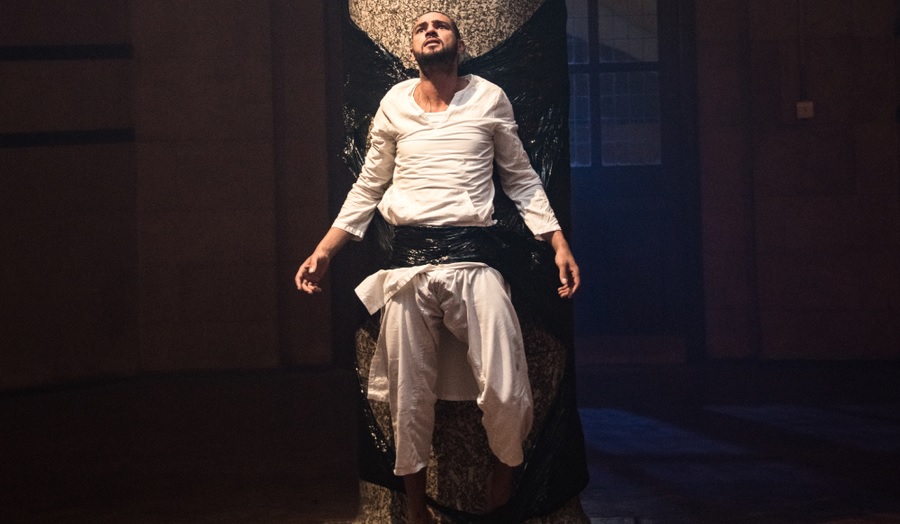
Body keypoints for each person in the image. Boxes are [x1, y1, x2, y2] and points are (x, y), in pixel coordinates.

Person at [295, 11, 580, 524]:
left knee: (505, 381)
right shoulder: (394, 102)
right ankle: (413, 504)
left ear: (459, 45)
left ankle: (505, 467)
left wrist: (557, 241)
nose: (430, 30)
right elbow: (368, 186)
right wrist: (324, 250)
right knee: (408, 393)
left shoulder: (488, 98)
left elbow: (520, 177)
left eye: (441, 25)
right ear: (412, 51)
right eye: (421, 27)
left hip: (474, 262)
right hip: (409, 267)